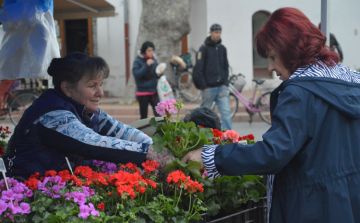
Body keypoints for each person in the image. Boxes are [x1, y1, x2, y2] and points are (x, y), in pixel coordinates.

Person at [182, 8, 360, 223]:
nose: (271, 67)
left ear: (291, 51)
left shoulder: (300, 92)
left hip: (312, 206)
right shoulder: (348, 81)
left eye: (273, 57)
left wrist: (211, 157)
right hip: (347, 201)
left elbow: (273, 153)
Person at [3, 53, 153, 180]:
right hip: (30, 197)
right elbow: (93, 143)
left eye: (100, 85)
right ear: (67, 88)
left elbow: (123, 132)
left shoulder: (87, 110)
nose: (100, 93)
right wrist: (149, 154)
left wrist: (154, 147)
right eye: (92, 86)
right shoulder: (52, 114)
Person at [193, 24, 232, 130]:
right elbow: (198, 69)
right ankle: (201, 136)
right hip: (208, 88)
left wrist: (225, 82)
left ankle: (228, 138)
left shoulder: (222, 49)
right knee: (203, 116)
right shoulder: (203, 49)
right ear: (210, 33)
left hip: (221, 87)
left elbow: (225, 66)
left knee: (226, 114)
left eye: (219, 32)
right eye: (216, 32)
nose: (218, 35)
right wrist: (204, 86)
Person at [133, 41, 160, 119]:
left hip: (154, 92)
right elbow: (137, 74)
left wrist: (160, 73)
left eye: (152, 50)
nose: (151, 52)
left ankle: (160, 130)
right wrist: (146, 65)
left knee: (158, 114)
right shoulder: (138, 61)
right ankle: (143, 131)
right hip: (143, 92)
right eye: (149, 50)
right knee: (144, 116)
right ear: (144, 51)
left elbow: (155, 74)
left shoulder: (154, 60)